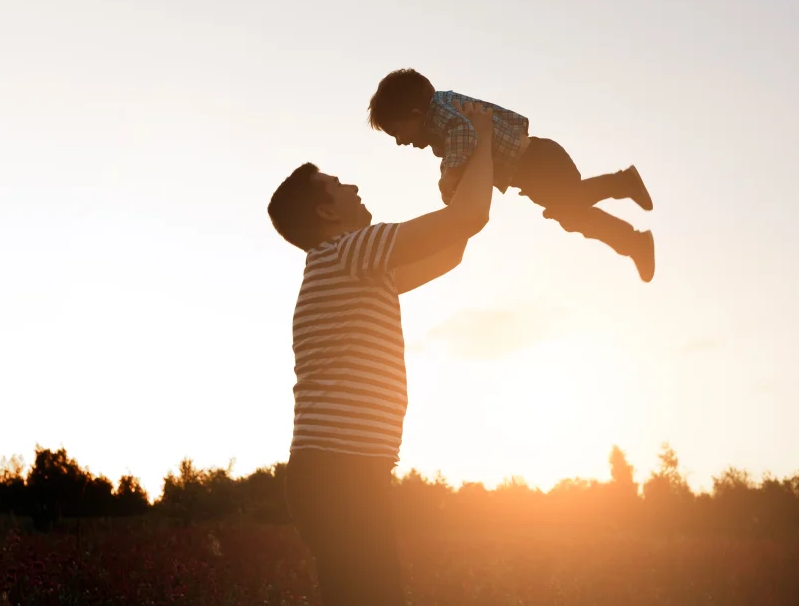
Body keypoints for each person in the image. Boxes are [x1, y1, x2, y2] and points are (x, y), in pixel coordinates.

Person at [266, 102, 497, 605]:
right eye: (338, 184)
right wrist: (481, 138)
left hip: (348, 474)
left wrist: (464, 176)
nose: (352, 187)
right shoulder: (348, 253)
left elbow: (454, 244)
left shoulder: (359, 267)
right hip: (337, 474)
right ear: (328, 212)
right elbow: (470, 218)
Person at [367, 67, 657, 282]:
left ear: (416, 115)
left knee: (570, 208)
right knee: (571, 214)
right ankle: (634, 242)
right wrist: (450, 175)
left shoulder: (443, 115)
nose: (400, 141)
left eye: (397, 132)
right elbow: (462, 142)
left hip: (538, 161)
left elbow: (464, 133)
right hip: (532, 168)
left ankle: (624, 188)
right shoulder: (443, 116)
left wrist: (450, 175)